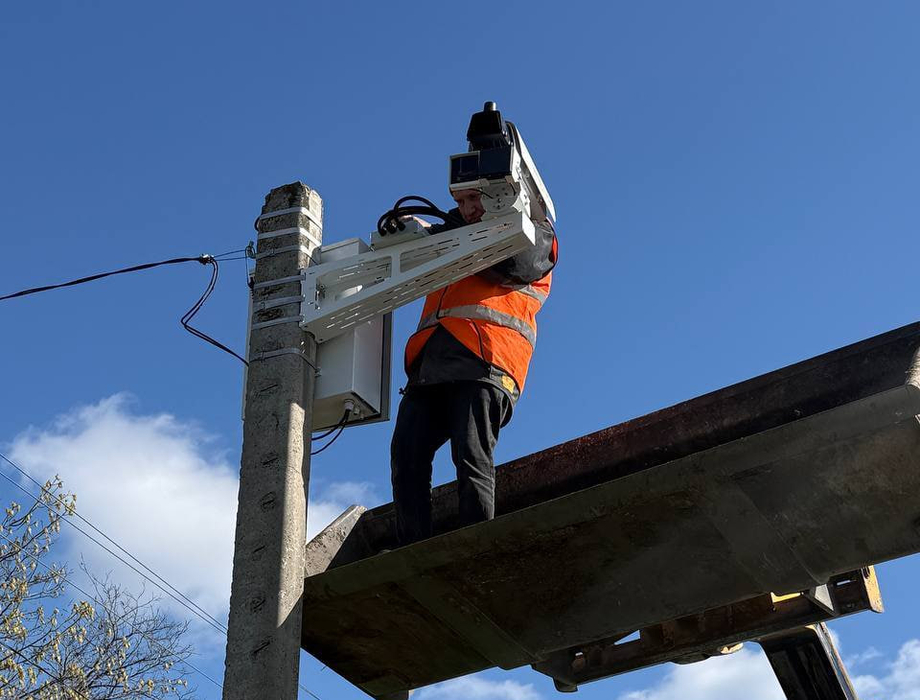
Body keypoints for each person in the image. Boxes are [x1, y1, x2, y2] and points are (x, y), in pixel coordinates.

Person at [389, 187, 558, 545]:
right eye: (461, 202)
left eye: (475, 199)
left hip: (488, 358)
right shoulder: (452, 231)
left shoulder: (536, 233)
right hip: (433, 361)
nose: (466, 210)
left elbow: (510, 264)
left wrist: (440, 234)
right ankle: (412, 548)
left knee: (470, 455)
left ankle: (477, 546)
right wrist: (415, 235)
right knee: (407, 455)